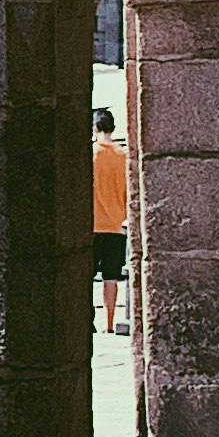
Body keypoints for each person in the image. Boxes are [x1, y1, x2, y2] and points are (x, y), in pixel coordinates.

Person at [92, 105, 130, 337]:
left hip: (92, 224)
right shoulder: (123, 156)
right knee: (111, 277)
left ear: (95, 127)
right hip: (116, 225)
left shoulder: (91, 154)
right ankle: (108, 322)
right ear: (113, 128)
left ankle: (88, 321)